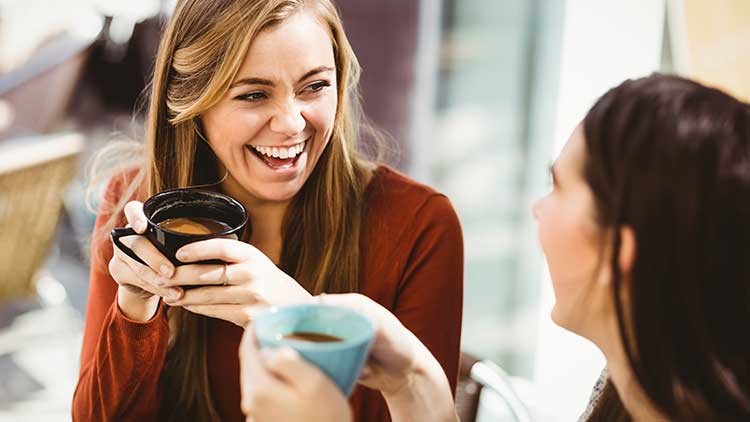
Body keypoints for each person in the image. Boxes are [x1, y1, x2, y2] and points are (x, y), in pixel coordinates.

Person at [240, 74, 750, 422]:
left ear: (619, 253)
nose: (539, 209)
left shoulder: (420, 219)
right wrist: (413, 381)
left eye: (560, 188)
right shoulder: (633, 389)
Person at [72, 1, 463, 421]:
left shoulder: (420, 225)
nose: (292, 123)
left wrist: (305, 321)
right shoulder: (136, 204)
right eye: (254, 94)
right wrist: (134, 311)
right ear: (193, 102)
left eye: (314, 87)